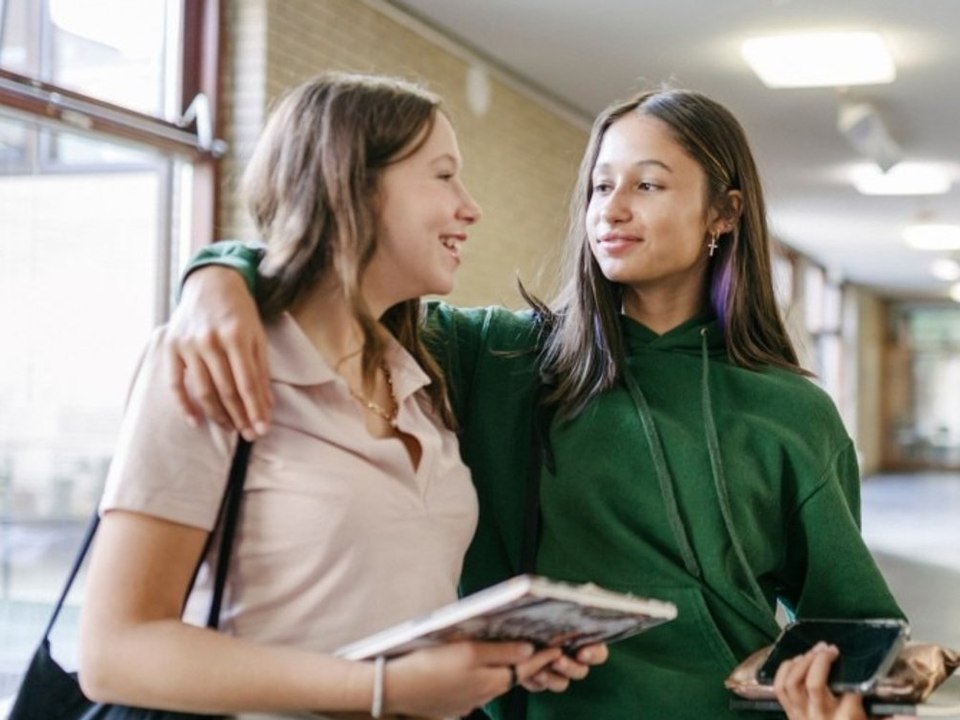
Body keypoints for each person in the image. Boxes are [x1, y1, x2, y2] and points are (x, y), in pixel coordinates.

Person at [165, 87, 906, 719]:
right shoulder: (501, 357)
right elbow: (332, 284)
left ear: (724, 213)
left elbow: (856, 622)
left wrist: (832, 685)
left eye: (648, 185)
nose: (611, 209)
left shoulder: (789, 412)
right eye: (599, 186)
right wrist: (216, 275)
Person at [79, 72, 604, 720]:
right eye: (443, 176)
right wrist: (381, 691)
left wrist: (490, 654)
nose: (470, 207)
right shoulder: (209, 364)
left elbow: (374, 606)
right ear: (351, 183)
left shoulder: (420, 384)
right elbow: (114, 652)